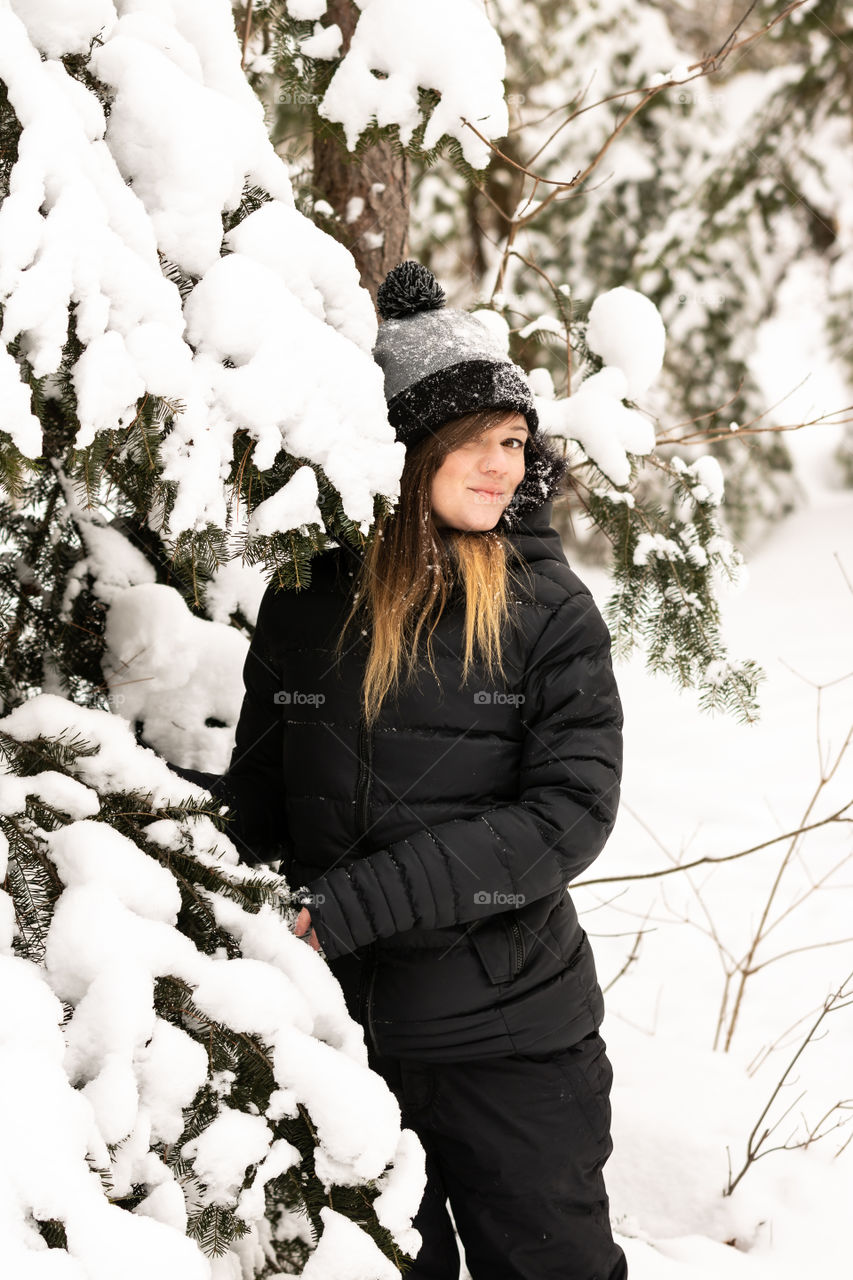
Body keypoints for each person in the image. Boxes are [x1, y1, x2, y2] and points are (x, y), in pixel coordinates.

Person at [176, 261, 627, 1279]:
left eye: (513, 440)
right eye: (472, 441)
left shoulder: (549, 613)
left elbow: (569, 814)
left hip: (514, 1046)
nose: (500, 464)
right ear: (408, 450)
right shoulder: (308, 605)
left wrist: (351, 905)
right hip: (347, 1047)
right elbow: (258, 800)